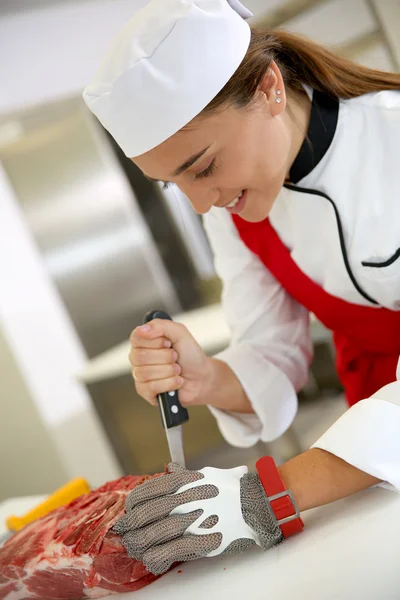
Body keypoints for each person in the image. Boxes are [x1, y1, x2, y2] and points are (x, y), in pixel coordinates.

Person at [83, 0, 400, 576]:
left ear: (269, 88)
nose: (203, 203)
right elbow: (273, 351)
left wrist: (270, 495)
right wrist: (208, 377)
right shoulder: (233, 211)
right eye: (172, 184)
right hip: (374, 449)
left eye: (202, 167)